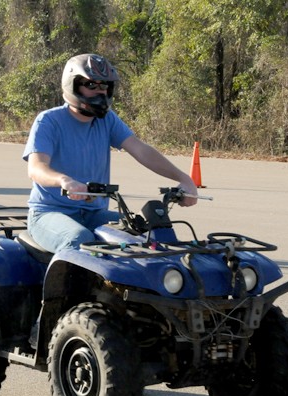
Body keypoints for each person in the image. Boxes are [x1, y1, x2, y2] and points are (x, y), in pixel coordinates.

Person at [23, 53, 198, 254]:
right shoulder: (49, 121)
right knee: (79, 241)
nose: (100, 92)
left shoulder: (107, 121)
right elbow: (37, 168)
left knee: (144, 232)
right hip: (49, 213)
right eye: (91, 86)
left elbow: (140, 150)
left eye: (104, 86)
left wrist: (184, 178)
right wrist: (65, 181)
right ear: (73, 85)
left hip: (94, 213)